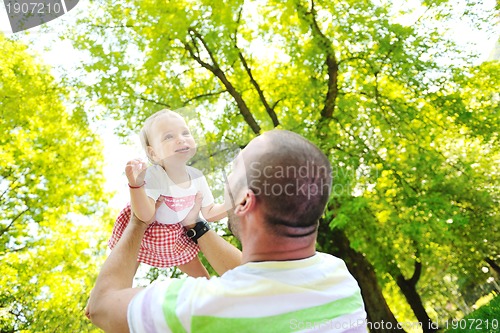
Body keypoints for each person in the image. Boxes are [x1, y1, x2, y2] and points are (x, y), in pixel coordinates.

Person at [87, 129, 368, 332]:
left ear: (245, 200)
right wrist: (195, 225)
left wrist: (138, 221)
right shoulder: (338, 278)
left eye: (232, 172)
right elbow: (258, 278)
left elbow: (100, 307)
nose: (224, 181)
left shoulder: (203, 307)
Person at [109, 109, 227, 278]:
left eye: (185, 133)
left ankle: (211, 298)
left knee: (203, 279)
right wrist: (136, 186)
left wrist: (233, 202)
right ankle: (103, 299)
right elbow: (145, 215)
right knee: (123, 269)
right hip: (145, 230)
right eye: (168, 137)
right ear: (153, 153)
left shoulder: (197, 177)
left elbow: (210, 213)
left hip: (175, 233)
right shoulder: (155, 175)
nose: (181, 139)